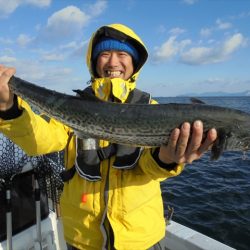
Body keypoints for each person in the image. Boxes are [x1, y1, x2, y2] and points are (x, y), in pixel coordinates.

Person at [0, 23, 217, 250]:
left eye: (122, 54)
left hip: (139, 238)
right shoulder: (76, 106)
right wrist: (9, 110)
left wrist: (167, 159)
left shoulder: (153, 110)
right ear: (93, 62)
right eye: (104, 54)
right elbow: (41, 140)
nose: (113, 62)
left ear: (135, 63)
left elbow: (150, 170)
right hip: (83, 238)